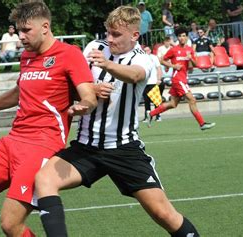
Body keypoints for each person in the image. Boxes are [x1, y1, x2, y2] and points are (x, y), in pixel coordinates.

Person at [35, 6, 200, 237]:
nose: (109, 39)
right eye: (108, 33)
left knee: (164, 214)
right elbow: (74, 84)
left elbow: (135, 75)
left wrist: (107, 65)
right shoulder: (94, 47)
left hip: (124, 149)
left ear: (135, 35)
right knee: (44, 179)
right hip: (86, 147)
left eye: (116, 35)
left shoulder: (144, 58)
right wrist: (88, 93)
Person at [0, 2, 97, 237]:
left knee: (10, 224)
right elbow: (19, 92)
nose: (20, 36)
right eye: (18, 30)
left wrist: (85, 106)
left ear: (45, 26)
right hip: (13, 141)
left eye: (26, 30)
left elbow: (88, 94)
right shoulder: (27, 56)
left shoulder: (69, 54)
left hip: (43, 146)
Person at [148, 27, 215, 130]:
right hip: (177, 79)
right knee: (192, 99)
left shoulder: (189, 50)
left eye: (184, 36)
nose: (182, 38)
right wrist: (173, 66)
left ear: (187, 37)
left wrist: (190, 58)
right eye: (180, 36)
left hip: (183, 78)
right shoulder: (174, 50)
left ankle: (151, 113)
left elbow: (196, 64)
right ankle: (202, 124)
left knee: (173, 104)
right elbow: (162, 60)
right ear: (177, 38)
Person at [143, 45, 164, 122]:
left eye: (148, 50)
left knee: (156, 100)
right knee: (146, 100)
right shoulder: (141, 58)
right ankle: (148, 117)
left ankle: (158, 116)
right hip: (145, 83)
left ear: (150, 50)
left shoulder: (154, 57)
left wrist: (159, 79)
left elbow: (159, 68)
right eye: (145, 50)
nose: (146, 52)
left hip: (153, 82)